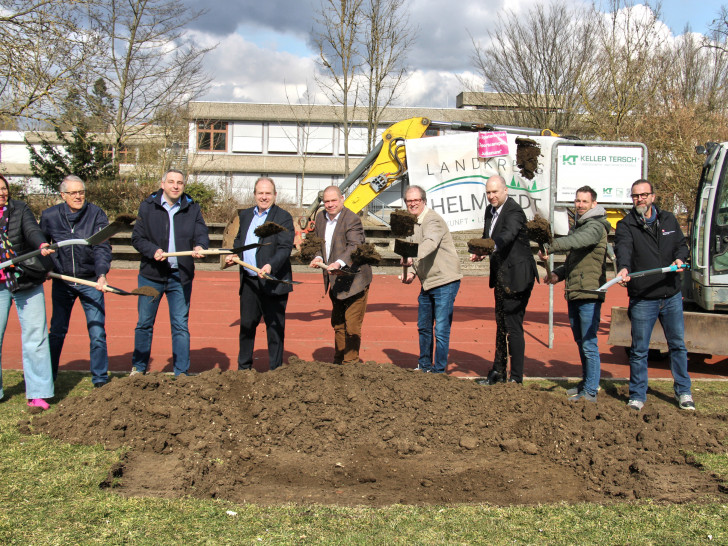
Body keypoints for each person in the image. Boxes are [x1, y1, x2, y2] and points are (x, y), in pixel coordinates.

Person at [614, 179, 694, 411]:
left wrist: (680, 259)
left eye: (644, 195)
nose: (640, 199)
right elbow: (624, 249)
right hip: (643, 297)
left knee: (677, 345)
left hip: (670, 295)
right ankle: (637, 394)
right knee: (639, 349)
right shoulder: (626, 225)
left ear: (653, 197)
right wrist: (624, 267)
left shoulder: (668, 219)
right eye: (636, 196)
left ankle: (684, 392)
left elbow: (681, 245)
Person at [130, 169, 209, 376]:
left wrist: (201, 246)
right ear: (162, 183)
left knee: (180, 325)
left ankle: (181, 372)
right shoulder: (147, 207)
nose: (176, 186)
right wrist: (152, 250)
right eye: (171, 182)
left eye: (180, 182)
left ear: (184, 186)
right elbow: (137, 238)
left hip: (180, 276)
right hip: (151, 275)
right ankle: (138, 369)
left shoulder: (192, 208)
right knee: (144, 323)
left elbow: (201, 233)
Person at [539, 186, 611, 402]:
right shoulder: (578, 227)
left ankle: (590, 391)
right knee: (581, 342)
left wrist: (550, 245)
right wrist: (556, 275)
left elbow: (576, 242)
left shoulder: (595, 226)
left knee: (589, 343)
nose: (579, 205)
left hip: (589, 291)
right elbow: (573, 262)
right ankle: (585, 384)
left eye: (584, 202)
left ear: (594, 204)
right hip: (575, 290)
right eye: (577, 201)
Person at [40, 175, 111, 387]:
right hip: (62, 281)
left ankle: (100, 380)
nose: (78, 196)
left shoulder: (96, 214)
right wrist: (47, 268)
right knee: (57, 331)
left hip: (90, 281)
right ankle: (47, 379)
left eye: (81, 192)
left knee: (97, 332)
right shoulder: (50, 216)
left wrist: (101, 274)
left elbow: (102, 247)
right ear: (63, 195)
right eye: (73, 193)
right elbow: (41, 246)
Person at [470, 175, 538, 384]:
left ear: (505, 190)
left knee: (513, 325)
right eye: (488, 193)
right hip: (501, 276)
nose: (491, 196)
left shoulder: (514, 211)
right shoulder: (490, 211)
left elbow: (506, 236)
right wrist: (481, 251)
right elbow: (487, 236)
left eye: (495, 192)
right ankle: (498, 372)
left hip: (518, 277)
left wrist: (491, 246)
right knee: (501, 324)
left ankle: (516, 378)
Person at [225, 177, 294, 371]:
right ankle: (244, 368)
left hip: (273, 281)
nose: (264, 197)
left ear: (275, 195)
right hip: (249, 281)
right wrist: (235, 255)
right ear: (255, 195)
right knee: (247, 326)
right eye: (260, 193)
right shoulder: (246, 215)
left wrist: (270, 266)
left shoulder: (283, 217)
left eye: (268, 193)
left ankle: (275, 371)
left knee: (274, 329)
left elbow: (284, 247)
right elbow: (239, 240)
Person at [0, 174, 55, 409]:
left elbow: (31, 231)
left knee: (36, 336)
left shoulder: (19, 209)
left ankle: (38, 392)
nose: (3, 193)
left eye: (4, 188)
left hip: (26, 281)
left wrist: (41, 244)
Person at [401, 185, 462, 374]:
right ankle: (424, 365)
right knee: (424, 326)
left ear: (424, 201)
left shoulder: (433, 220)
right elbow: (413, 247)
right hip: (428, 281)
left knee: (441, 329)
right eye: (409, 201)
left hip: (445, 280)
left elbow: (429, 243)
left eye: (416, 200)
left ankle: (439, 370)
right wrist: (411, 270)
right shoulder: (412, 222)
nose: (412, 204)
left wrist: (411, 257)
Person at [308, 186, 372, 364]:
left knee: (351, 326)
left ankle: (350, 364)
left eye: (333, 200)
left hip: (355, 281)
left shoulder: (352, 219)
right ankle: (338, 362)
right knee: (338, 324)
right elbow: (318, 243)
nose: (330, 205)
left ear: (342, 199)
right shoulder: (320, 218)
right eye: (326, 201)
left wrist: (338, 262)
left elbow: (355, 245)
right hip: (335, 280)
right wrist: (318, 256)